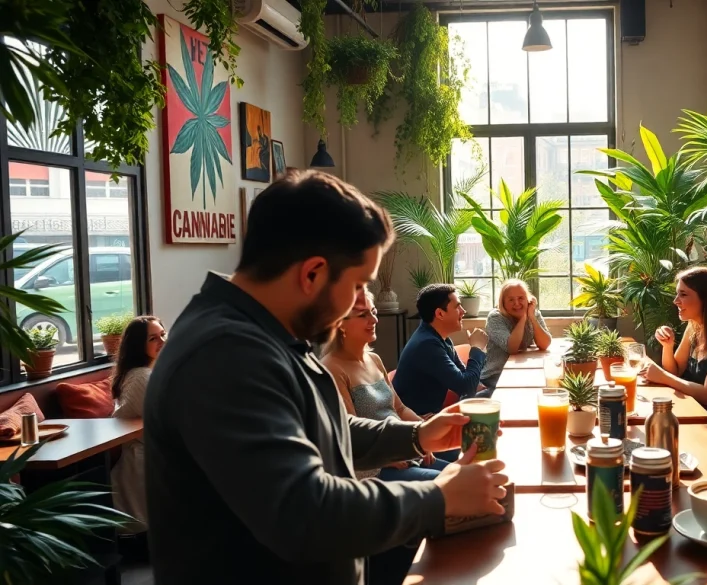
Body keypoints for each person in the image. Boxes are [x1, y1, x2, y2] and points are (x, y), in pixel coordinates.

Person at [144, 171, 508, 585]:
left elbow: (317, 428)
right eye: (356, 285)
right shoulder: (225, 355)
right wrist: (438, 497)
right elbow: (302, 513)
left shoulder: (267, 334)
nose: (358, 305)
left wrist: (415, 436)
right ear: (313, 273)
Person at [321, 290, 448, 482]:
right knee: (447, 483)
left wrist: (424, 430)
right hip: (374, 469)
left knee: (463, 471)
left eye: (373, 312)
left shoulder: (374, 359)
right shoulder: (331, 368)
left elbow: (400, 409)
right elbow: (351, 435)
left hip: (404, 451)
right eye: (363, 315)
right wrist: (389, 455)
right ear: (339, 323)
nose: (374, 320)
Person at [641, 267, 707, 425]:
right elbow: (675, 371)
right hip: (690, 411)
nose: (676, 300)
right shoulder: (694, 326)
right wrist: (667, 346)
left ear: (706, 299)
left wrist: (662, 377)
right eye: (677, 293)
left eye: (683, 294)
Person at [393, 284, 489, 416]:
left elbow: (466, 380)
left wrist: (478, 386)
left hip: (432, 414)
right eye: (457, 307)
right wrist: (477, 349)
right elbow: (466, 386)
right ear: (440, 314)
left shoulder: (440, 338)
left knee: (490, 395)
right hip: (416, 421)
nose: (463, 311)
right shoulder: (427, 345)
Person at [110, 315, 166, 535]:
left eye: (162, 334)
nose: (162, 341)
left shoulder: (150, 372)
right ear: (138, 345)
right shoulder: (141, 377)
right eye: (153, 338)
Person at [480, 279, 552, 390]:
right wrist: (523, 318)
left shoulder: (533, 313)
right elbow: (512, 348)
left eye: (521, 298)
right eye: (511, 300)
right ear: (503, 302)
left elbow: (545, 344)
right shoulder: (495, 317)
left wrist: (531, 317)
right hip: (495, 375)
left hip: (520, 370)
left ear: (527, 299)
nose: (517, 303)